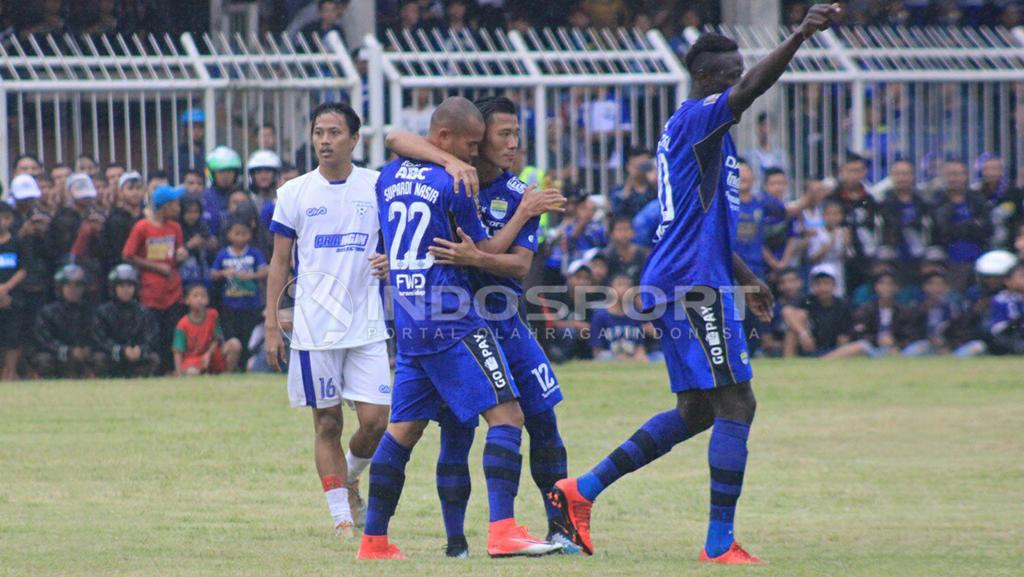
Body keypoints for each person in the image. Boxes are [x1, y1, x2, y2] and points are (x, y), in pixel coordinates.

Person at [551, 7, 841, 564]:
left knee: (697, 410)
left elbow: (700, 224)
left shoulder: (703, 137)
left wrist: (749, 277)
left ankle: (579, 491)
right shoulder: (699, 120)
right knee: (737, 401)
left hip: (690, 275)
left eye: (738, 72)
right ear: (708, 79)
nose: (739, 82)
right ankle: (719, 542)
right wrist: (800, 33)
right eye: (730, 75)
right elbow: (755, 87)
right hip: (691, 285)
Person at [358, 96, 562, 560]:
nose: (475, 154)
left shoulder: (390, 175)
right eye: (483, 141)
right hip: (456, 321)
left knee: (403, 430)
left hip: (409, 321)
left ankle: (373, 541)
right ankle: (503, 530)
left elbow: (394, 143)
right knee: (508, 416)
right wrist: (524, 213)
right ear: (453, 138)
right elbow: (487, 246)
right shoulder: (457, 182)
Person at [265, 102, 392, 542]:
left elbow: (398, 245)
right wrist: (271, 324)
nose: (325, 140)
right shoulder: (294, 193)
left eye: (335, 132)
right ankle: (341, 517)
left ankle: (352, 477)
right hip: (315, 329)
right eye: (319, 132)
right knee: (328, 424)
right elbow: (280, 262)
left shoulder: (378, 187)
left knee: (377, 420)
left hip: (367, 325)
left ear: (354, 140)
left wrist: (390, 262)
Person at [122, 184, 188, 374]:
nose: (179, 208)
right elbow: (128, 254)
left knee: (172, 331)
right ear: (165, 206)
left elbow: (176, 253)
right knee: (153, 332)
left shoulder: (175, 228)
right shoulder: (142, 227)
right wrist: (156, 267)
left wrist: (181, 255)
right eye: (175, 204)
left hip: (173, 291)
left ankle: (172, 369)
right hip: (150, 291)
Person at [823, 272, 923, 358]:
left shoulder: (905, 311)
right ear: (876, 287)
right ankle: (823, 362)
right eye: (882, 284)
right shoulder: (866, 310)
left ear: (896, 287)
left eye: (890, 284)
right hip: (874, 349)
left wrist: (896, 344)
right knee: (860, 346)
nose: (886, 288)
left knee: (922, 346)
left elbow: (910, 334)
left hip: (899, 351)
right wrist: (877, 340)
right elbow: (858, 333)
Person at [211, 219, 268, 365]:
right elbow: (213, 274)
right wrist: (224, 273)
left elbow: (265, 271)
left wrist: (251, 276)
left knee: (248, 336)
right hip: (230, 304)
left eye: (244, 234)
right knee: (232, 336)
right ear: (229, 235)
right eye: (237, 233)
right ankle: (233, 364)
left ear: (250, 235)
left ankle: (247, 363)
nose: (240, 237)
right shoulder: (223, 254)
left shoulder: (254, 253)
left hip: (251, 304)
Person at [30, 264, 98, 378]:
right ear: (60, 288)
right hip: (56, 355)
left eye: (78, 286)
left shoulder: (90, 312)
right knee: (43, 360)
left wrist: (87, 348)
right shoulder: (47, 312)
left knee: (99, 358)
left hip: (83, 354)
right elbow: (44, 340)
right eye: (68, 285)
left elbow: (96, 335)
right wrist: (68, 351)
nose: (73, 290)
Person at [932, 160, 991, 293]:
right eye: (951, 174)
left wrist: (959, 227)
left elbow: (986, 228)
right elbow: (941, 232)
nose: (955, 178)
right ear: (944, 177)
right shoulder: (937, 201)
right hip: (948, 259)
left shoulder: (978, 200)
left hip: (978, 256)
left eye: (958, 174)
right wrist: (969, 226)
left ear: (966, 176)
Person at [92, 264, 161, 377]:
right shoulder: (102, 312)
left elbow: (151, 336)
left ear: (135, 288)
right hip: (112, 356)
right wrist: (121, 351)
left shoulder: (143, 312)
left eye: (129, 285)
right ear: (114, 288)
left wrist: (140, 349)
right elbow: (100, 339)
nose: (126, 290)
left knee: (154, 358)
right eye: (121, 285)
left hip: (136, 356)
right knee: (98, 359)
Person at [781, 264, 854, 357]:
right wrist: (803, 334)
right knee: (797, 320)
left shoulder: (843, 305)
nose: (822, 288)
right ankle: (787, 361)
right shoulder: (807, 301)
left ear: (834, 285)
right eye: (818, 283)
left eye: (826, 283)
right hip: (809, 346)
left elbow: (845, 335)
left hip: (833, 349)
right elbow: (787, 311)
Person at [172, 283, 241, 376]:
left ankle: (227, 375)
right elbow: (178, 351)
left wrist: (208, 354)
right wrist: (179, 373)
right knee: (192, 372)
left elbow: (217, 338)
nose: (199, 299)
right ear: (187, 300)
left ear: (208, 300)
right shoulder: (182, 324)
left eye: (203, 296)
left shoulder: (213, 315)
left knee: (235, 344)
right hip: (193, 359)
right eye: (195, 296)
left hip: (212, 355)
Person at [97, 171, 144, 278]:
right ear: (120, 192)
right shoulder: (114, 219)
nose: (135, 192)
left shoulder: (145, 217)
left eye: (138, 188)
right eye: (130, 189)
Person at [590, 274, 647, 361]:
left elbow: (640, 347)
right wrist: (620, 358)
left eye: (628, 286)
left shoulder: (635, 315)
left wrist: (640, 356)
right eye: (620, 285)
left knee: (659, 356)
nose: (624, 289)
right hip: (610, 358)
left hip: (632, 358)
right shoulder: (600, 316)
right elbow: (597, 352)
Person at [0, 202, 27, 380]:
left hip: (13, 296)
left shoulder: (17, 243)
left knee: (13, 337)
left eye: (6, 218)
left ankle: (10, 372)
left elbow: (24, 269)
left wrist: (5, 288)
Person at [807, 199, 852, 296]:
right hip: (820, 267)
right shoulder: (817, 232)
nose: (832, 217)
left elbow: (846, 257)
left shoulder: (843, 232)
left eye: (836, 214)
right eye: (829, 214)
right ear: (823, 216)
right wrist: (830, 242)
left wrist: (846, 244)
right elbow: (813, 257)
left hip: (837, 269)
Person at [201, 146, 243, 238]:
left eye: (229, 171)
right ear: (212, 173)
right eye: (221, 172)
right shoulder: (205, 197)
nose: (226, 176)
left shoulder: (241, 195)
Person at [985, 263, 1024, 355]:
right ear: (1008, 281)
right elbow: (998, 328)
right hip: (1008, 336)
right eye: (1022, 276)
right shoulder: (1001, 299)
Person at [609, 147, 657, 218]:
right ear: (628, 166)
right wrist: (629, 183)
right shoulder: (618, 190)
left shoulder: (656, 188)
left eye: (645, 165)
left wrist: (653, 178)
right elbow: (616, 212)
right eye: (637, 165)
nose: (641, 169)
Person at [603, 216, 648, 284]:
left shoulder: (643, 254)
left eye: (627, 229)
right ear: (611, 234)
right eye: (620, 230)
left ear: (633, 232)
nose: (624, 234)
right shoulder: (606, 256)